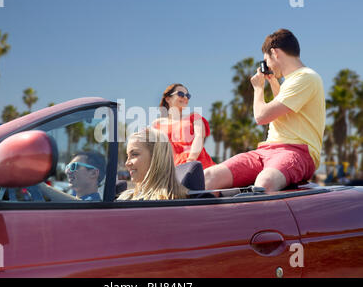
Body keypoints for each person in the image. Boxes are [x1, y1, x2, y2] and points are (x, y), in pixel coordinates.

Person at [204, 29, 325, 192]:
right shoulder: (292, 81)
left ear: (275, 53)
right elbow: (284, 111)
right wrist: (274, 84)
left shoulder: (306, 77)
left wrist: (258, 89)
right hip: (266, 151)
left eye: (266, 59)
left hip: (297, 151)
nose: (267, 65)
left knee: (265, 182)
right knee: (210, 176)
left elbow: (261, 117)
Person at [152, 83, 216, 169]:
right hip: (170, 167)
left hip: (197, 164)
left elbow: (199, 137)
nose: (185, 97)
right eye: (181, 94)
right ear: (168, 99)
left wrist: (190, 161)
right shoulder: (157, 124)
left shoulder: (195, 117)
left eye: (188, 95)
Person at [117, 127, 188, 200]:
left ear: (156, 157)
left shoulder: (164, 203)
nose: (127, 163)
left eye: (134, 154)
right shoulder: (128, 196)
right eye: (127, 156)